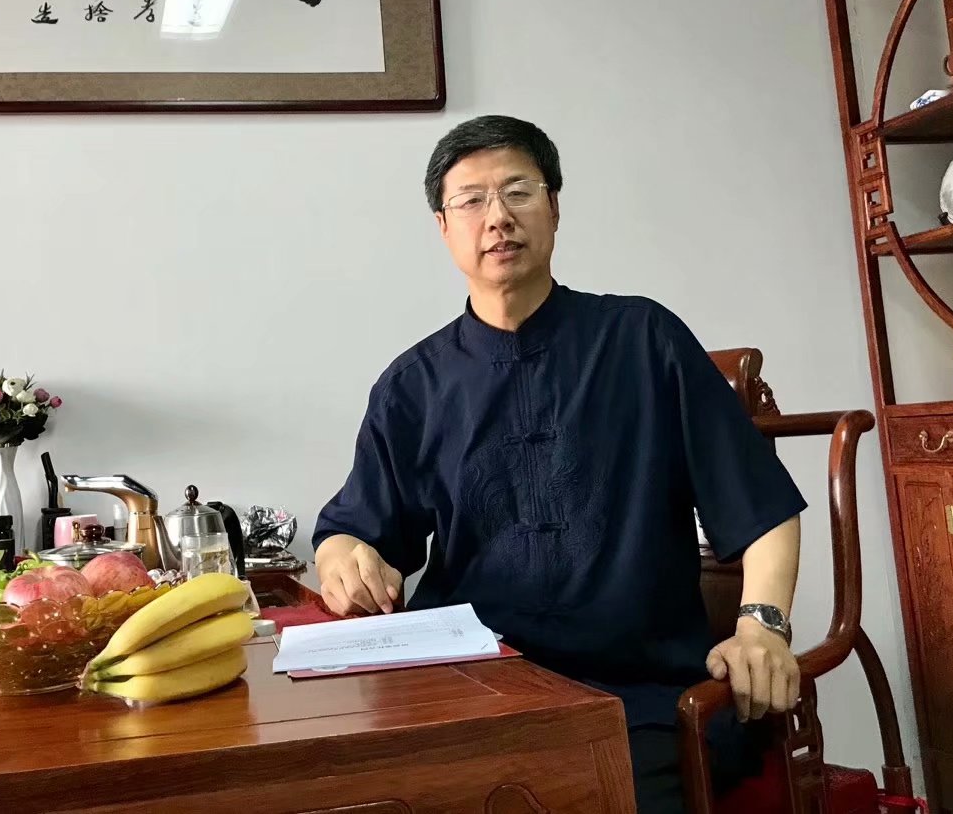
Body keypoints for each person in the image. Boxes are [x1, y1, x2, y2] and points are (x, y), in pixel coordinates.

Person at [312, 115, 806, 814]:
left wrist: (761, 622)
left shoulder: (643, 339)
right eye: (471, 200)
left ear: (554, 207)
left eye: (518, 191)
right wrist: (342, 555)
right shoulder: (413, 385)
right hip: (466, 689)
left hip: (635, 695)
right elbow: (355, 531)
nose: (498, 218)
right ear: (443, 227)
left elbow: (762, 507)